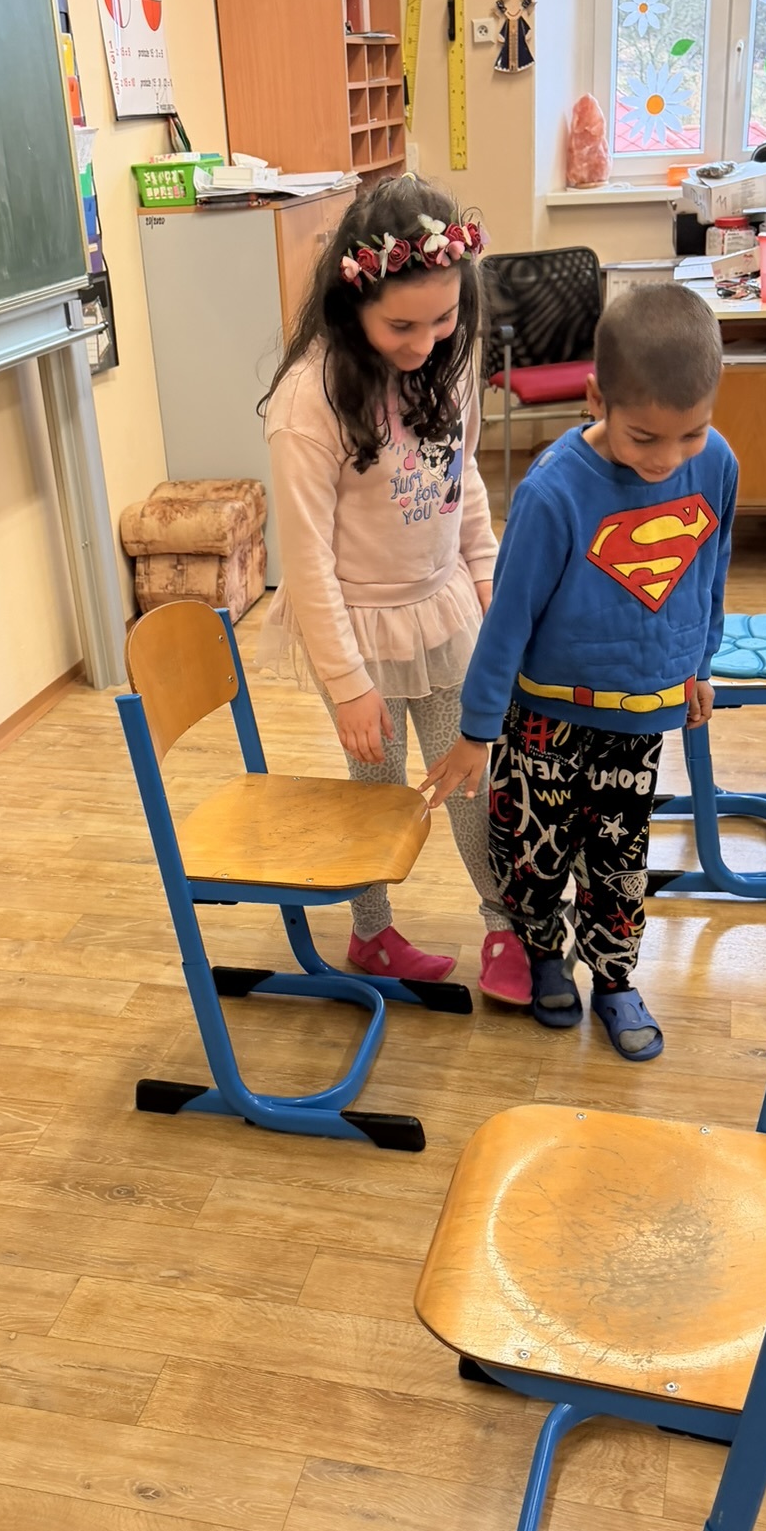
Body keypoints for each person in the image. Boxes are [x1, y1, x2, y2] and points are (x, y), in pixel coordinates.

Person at [422, 283, 736, 1059]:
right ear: (597, 398)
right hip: (546, 717)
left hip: (641, 716)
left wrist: (701, 664)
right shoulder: (553, 491)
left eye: (690, 434)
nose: (667, 460)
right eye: (644, 437)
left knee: (619, 861)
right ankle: (541, 953)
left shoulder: (717, 464)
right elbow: (508, 620)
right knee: (534, 851)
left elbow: (709, 571)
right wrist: (475, 732)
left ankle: (617, 980)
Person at [258, 177, 531, 1004]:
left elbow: (462, 477)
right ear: (354, 306)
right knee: (377, 796)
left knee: (473, 780)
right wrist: (347, 686)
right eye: (401, 326)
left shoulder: (447, 360)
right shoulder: (308, 403)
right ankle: (371, 934)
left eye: (442, 319)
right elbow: (307, 560)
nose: (425, 341)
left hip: (442, 610)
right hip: (359, 630)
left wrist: (484, 572)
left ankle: (504, 924)